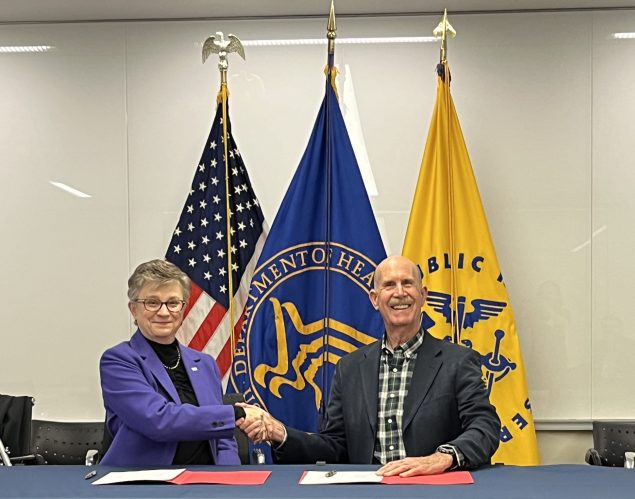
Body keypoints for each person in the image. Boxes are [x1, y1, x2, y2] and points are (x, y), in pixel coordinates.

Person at [239, 255, 501, 476]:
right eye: (389, 285)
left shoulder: (457, 360)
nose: (400, 292)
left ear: (423, 296)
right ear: (375, 299)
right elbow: (335, 447)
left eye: (407, 283)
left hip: (434, 489)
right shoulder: (349, 368)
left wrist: (440, 458)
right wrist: (279, 432)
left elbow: (485, 426)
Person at [99, 259, 259, 466]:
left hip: (206, 482)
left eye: (173, 303)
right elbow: (158, 421)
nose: (164, 312)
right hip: (142, 482)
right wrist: (236, 413)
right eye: (152, 302)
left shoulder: (205, 363)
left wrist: (228, 478)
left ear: (184, 308)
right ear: (133, 309)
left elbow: (223, 439)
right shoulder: (118, 360)